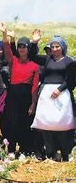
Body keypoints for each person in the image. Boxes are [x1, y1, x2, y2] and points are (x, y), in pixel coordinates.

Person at [29, 31, 76, 161]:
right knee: (47, 123)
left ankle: (65, 153)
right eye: (52, 47)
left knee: (63, 124)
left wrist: (59, 89)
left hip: (62, 94)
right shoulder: (47, 60)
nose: (54, 49)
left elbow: (71, 80)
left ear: (63, 48)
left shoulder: (69, 61)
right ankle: (51, 152)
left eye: (57, 47)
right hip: (47, 95)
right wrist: (34, 42)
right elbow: (32, 56)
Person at [0, 24, 39, 155]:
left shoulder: (34, 65)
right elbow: (7, 49)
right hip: (13, 96)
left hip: (27, 97)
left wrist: (33, 103)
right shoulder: (13, 60)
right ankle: (10, 150)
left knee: (24, 124)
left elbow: (35, 86)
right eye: (19, 46)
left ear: (28, 48)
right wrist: (4, 34)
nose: (21, 49)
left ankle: (24, 151)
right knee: (11, 123)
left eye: (24, 46)